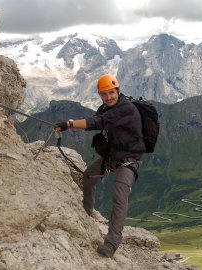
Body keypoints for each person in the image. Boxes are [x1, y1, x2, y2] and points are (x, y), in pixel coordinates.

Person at [55, 74, 145, 258]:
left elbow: (97, 122)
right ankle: (86, 210)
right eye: (104, 94)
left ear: (118, 91)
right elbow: (96, 118)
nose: (108, 97)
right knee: (88, 177)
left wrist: (68, 124)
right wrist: (69, 125)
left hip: (129, 159)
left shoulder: (126, 109)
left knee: (119, 197)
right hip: (113, 156)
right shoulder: (105, 108)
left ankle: (111, 243)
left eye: (111, 93)